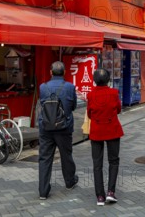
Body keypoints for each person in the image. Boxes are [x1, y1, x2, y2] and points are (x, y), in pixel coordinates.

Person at [38, 61, 79, 200]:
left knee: (44, 158)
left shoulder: (42, 87)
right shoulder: (70, 87)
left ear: (51, 72)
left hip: (46, 128)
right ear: (65, 72)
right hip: (64, 127)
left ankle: (43, 192)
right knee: (66, 155)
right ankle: (69, 182)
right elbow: (73, 106)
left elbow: (42, 104)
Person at [87, 68, 123, 206]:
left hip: (96, 130)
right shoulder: (114, 93)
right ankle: (111, 192)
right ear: (108, 79)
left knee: (97, 164)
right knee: (113, 161)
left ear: (94, 80)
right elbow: (118, 109)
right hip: (112, 129)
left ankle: (100, 196)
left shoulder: (90, 95)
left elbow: (89, 113)